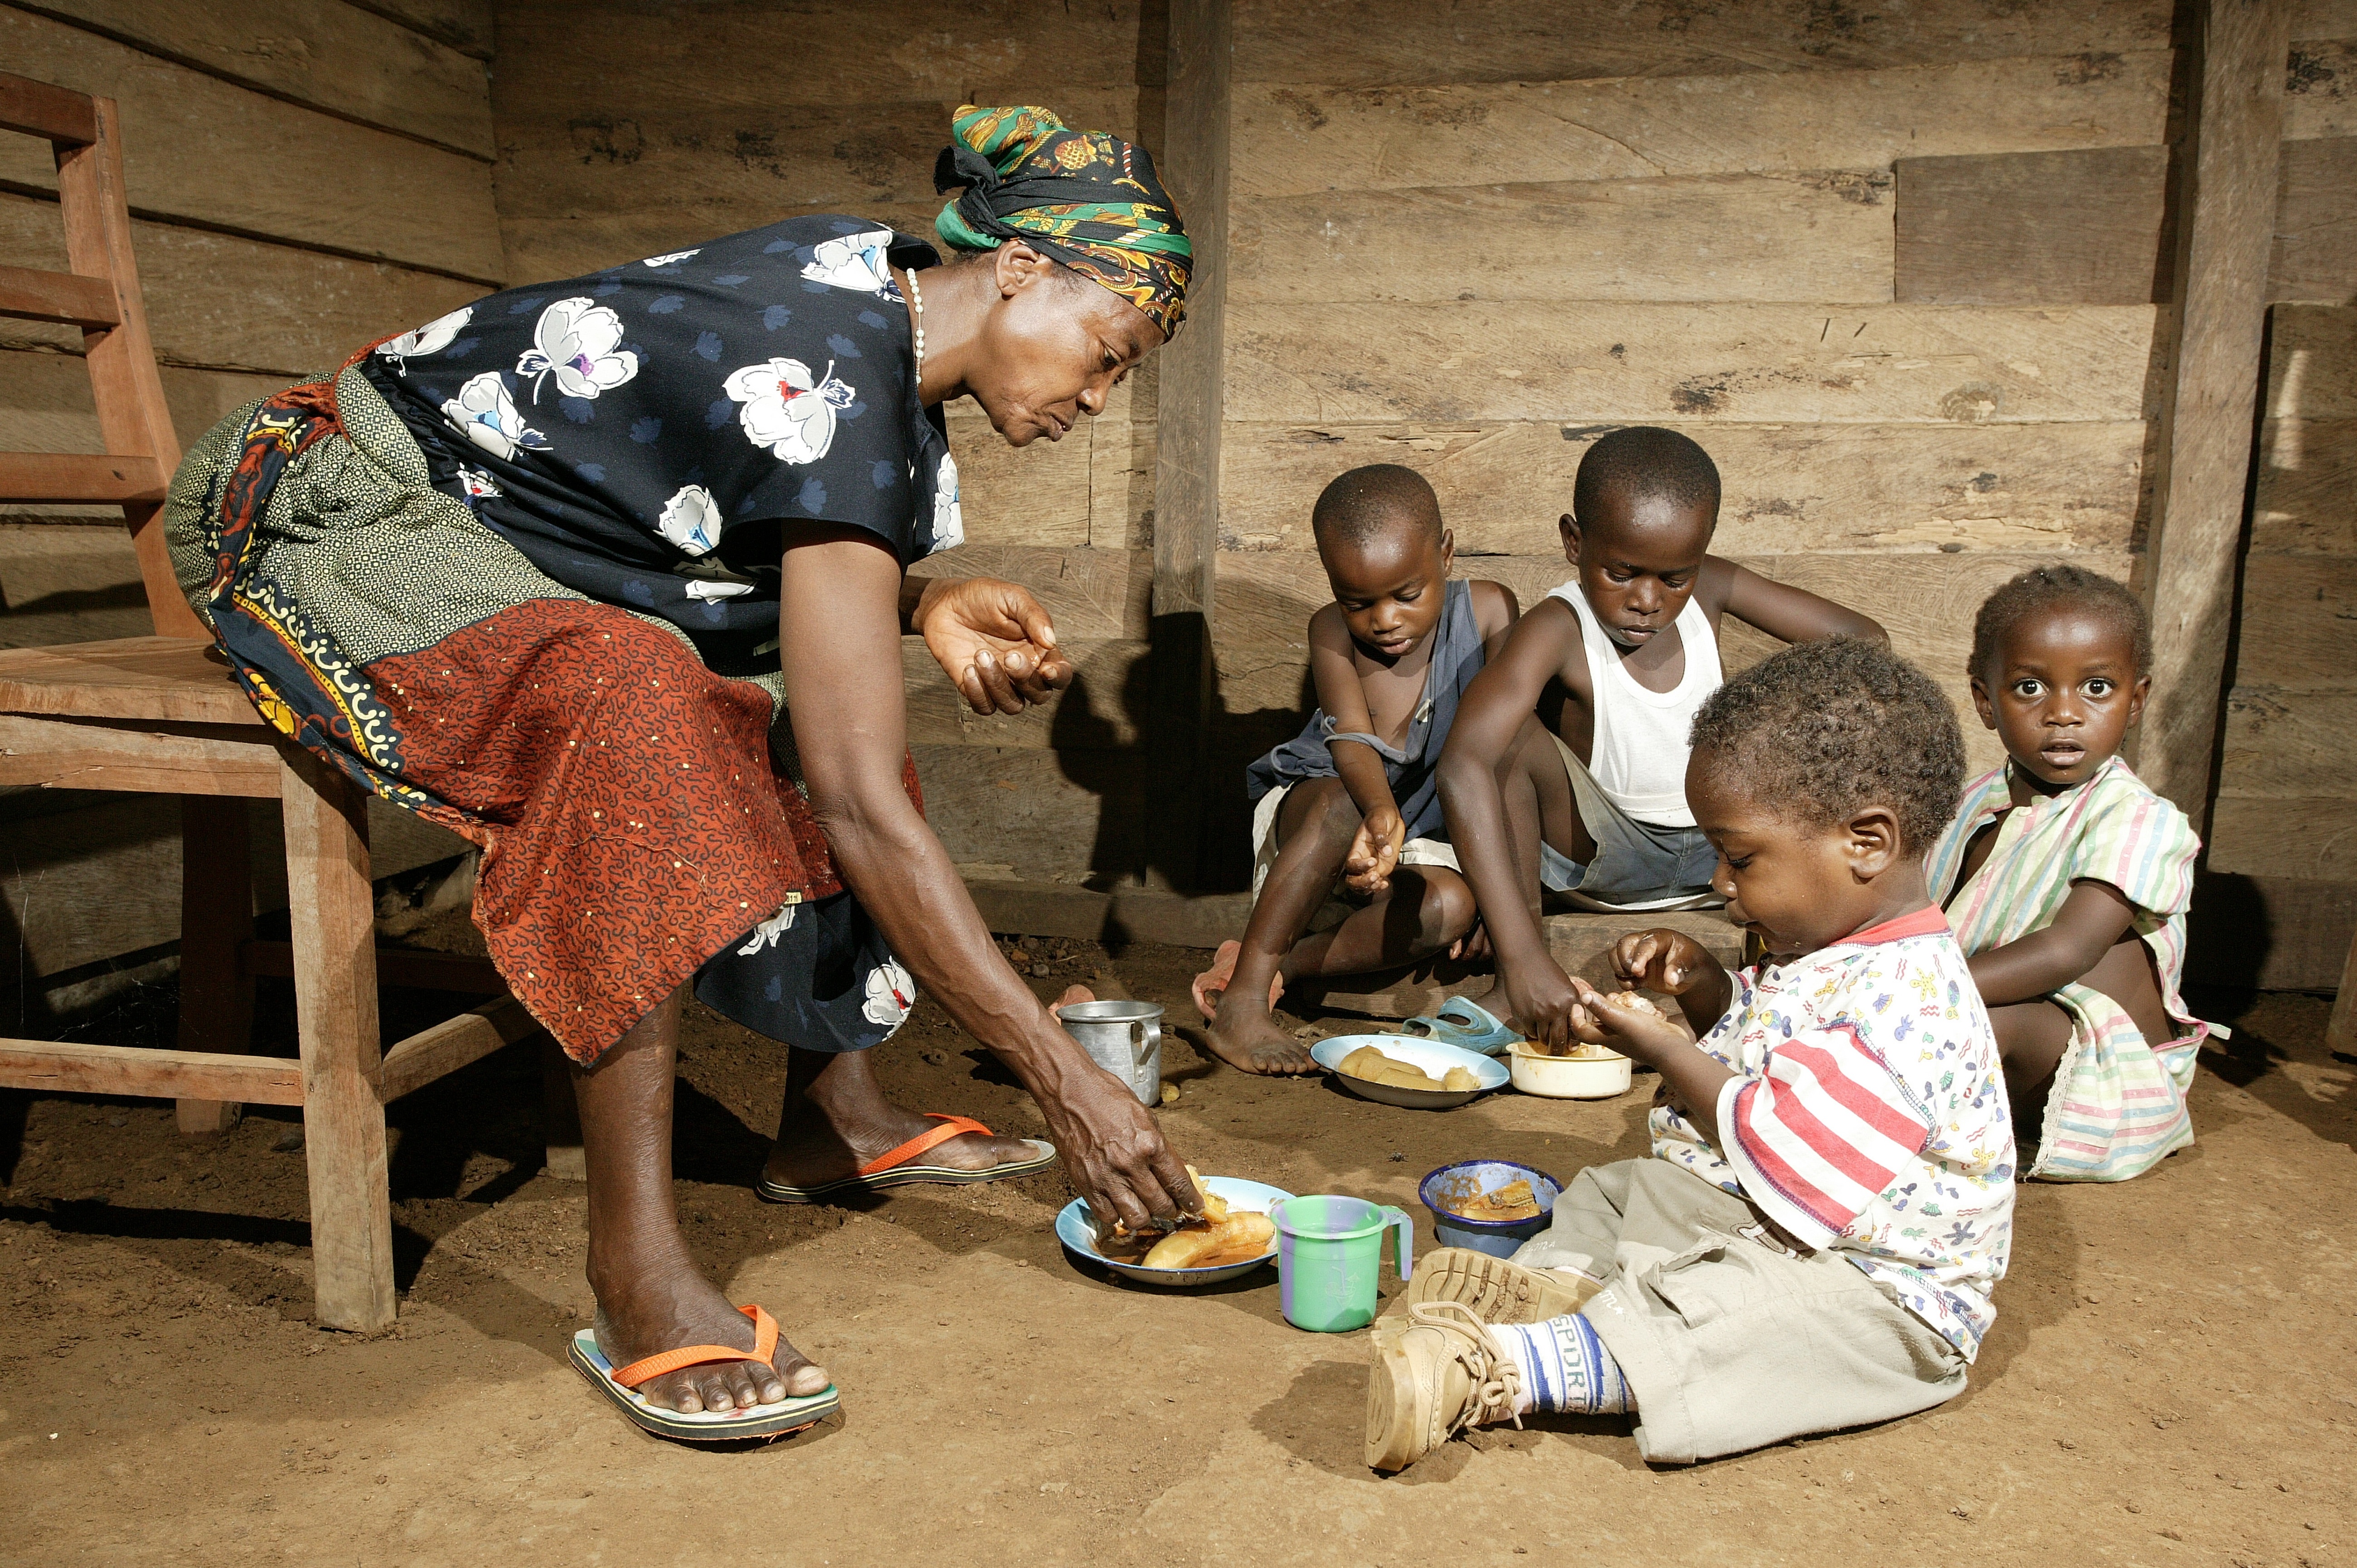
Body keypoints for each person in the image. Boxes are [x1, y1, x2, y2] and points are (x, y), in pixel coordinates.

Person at [163, 105, 1203, 1438]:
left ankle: (831, 1107)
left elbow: (682, 500)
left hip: (503, 528)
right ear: (1015, 272)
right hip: (322, 506)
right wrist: (1065, 1077)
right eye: (1104, 355)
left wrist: (914, 598)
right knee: (639, 698)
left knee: (826, 701)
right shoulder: (844, 379)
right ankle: (636, 1267)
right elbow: (857, 797)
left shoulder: (878, 302)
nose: (1095, 399)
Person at [1366, 638, 2014, 1470]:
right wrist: (1707, 990)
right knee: (1623, 1189)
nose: (1720, 878)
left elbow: (1787, 1145)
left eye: (1740, 856)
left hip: (1875, 1300)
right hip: (1782, 1219)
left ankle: (1510, 1366)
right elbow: (1771, 1057)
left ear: (1867, 841)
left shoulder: (1912, 1000)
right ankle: (1566, 1287)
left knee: (1732, 1314)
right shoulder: (1831, 949)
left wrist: (1668, 1051)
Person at [1436, 425, 1886, 1050]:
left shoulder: (1712, 587)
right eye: (1621, 573)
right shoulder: (1557, 625)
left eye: (1673, 578)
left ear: (1698, 557)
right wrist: (1517, 954)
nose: (1647, 600)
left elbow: (1864, 643)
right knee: (1508, 741)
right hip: (1600, 855)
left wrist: (1767, 725)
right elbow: (1462, 762)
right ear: (1573, 542)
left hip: (1719, 854)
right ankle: (1520, 977)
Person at [1191, 467, 1519, 1074]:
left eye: (1406, 593)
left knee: (1449, 906)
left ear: (1445, 553)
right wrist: (1377, 811)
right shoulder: (1330, 633)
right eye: (1358, 601)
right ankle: (1241, 1001)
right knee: (1338, 802)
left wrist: (1507, 913)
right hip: (1324, 815)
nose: (1384, 619)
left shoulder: (1492, 612)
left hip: (1426, 838)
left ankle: (1277, 970)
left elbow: (1507, 757)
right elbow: (1349, 746)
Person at [1924, 565, 2221, 1181]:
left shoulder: (2140, 822)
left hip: (2103, 1079)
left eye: (2095, 687)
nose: (2063, 713)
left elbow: (2066, 950)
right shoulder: (1963, 808)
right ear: (1985, 700)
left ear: (2134, 701)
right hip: (1985, 1030)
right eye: (2030, 688)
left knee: (1978, 1024)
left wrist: (1905, 987)